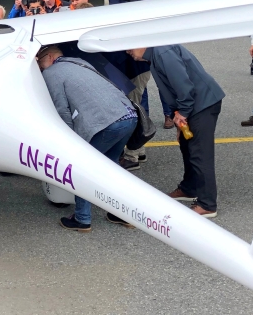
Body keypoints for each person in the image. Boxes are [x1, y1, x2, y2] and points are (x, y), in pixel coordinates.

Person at [36, 45, 139, 231]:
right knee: (112, 165)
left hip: (105, 123)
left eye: (40, 63)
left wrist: (68, 142)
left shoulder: (51, 74)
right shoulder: (80, 62)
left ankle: (82, 218)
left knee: (83, 167)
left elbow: (62, 111)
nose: (41, 68)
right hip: (128, 116)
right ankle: (120, 213)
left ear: (50, 57)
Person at [127, 45, 225, 218]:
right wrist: (178, 116)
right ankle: (189, 188)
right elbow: (171, 90)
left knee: (200, 153)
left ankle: (207, 204)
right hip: (194, 104)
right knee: (187, 147)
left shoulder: (163, 52)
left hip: (203, 104)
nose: (127, 52)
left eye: (128, 47)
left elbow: (184, 87)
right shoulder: (154, 55)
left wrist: (183, 114)